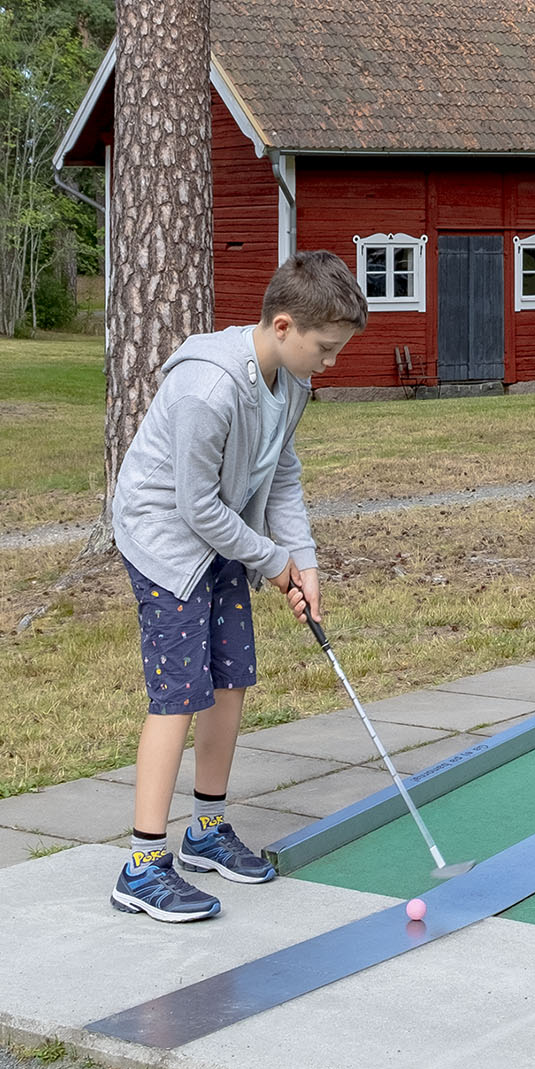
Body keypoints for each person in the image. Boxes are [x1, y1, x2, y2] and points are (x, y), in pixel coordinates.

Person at [106, 250, 365, 921]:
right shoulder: (210, 388)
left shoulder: (291, 381)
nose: (330, 364)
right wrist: (272, 564)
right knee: (178, 694)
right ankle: (141, 865)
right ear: (284, 326)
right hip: (167, 541)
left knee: (230, 679)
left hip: (222, 532)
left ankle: (206, 831)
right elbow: (193, 507)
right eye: (326, 349)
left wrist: (302, 559)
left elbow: (280, 474)